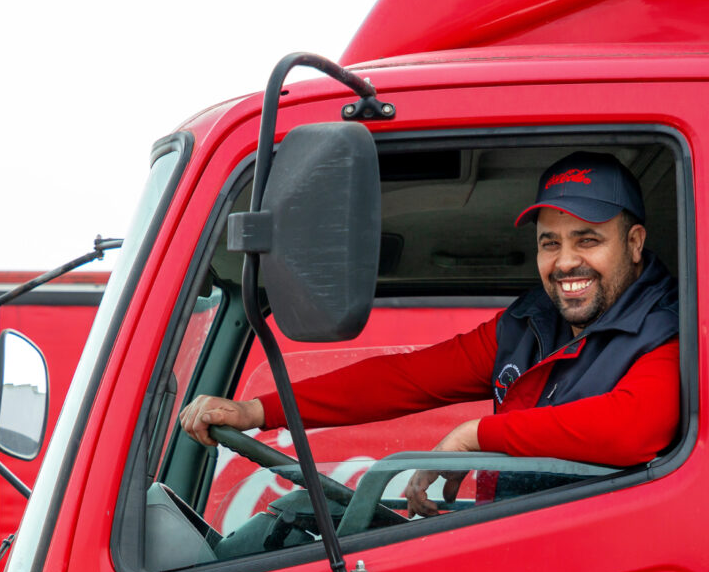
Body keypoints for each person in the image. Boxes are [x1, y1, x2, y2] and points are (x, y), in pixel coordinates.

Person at [180, 152, 680, 517]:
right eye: (550, 242)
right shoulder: (530, 322)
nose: (566, 261)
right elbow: (405, 378)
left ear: (634, 243)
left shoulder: (671, 325)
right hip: (516, 541)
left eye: (588, 240)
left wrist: (473, 438)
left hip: (601, 567)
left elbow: (635, 426)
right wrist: (258, 411)